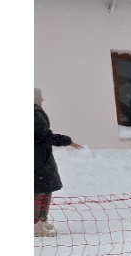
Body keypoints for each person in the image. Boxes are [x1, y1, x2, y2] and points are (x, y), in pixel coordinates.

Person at [34, 88, 82, 237]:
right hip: (38, 160)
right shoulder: (33, 112)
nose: (42, 100)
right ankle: (35, 224)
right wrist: (67, 140)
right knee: (39, 192)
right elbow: (46, 136)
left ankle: (41, 221)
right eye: (40, 97)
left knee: (43, 190)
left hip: (40, 159)